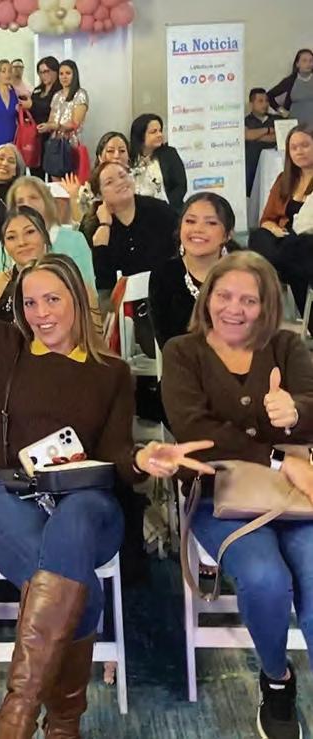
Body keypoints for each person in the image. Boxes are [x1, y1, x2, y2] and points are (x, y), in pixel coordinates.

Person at [0, 148, 211, 738]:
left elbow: (116, 457)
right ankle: (63, 722)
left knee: (73, 531)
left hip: (88, 500)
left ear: (78, 299)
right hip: (9, 497)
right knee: (81, 593)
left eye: (53, 300)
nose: (41, 313)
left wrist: (143, 458)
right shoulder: (4, 347)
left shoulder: (110, 372)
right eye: (30, 302)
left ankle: (17, 712)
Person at [161, 250, 313, 739]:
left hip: (296, 496)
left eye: (249, 300)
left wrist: (296, 411)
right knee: (266, 578)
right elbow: (195, 432)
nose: (234, 308)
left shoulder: (288, 345)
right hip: (219, 494)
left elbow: (311, 407)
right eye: (224, 295)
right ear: (207, 299)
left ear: (267, 305)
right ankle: (277, 679)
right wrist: (277, 456)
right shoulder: (182, 352)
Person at [148, 193, 240, 349]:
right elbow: (168, 344)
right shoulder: (163, 275)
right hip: (185, 361)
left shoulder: (244, 273)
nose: (198, 229)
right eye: (190, 221)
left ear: (227, 235)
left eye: (211, 223)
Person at [81, 161, 178, 292]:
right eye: (109, 182)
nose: (120, 182)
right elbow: (102, 281)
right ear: (99, 195)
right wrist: (104, 226)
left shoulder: (160, 211)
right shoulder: (91, 224)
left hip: (165, 291)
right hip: (115, 298)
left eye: (123, 176)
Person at [249, 124, 313, 313]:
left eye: (305, 145)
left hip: (307, 240)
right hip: (284, 239)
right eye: (294, 148)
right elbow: (267, 218)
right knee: (258, 236)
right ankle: (284, 267)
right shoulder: (284, 179)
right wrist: (274, 228)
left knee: (299, 248)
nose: (299, 151)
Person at [1, 175, 96, 290]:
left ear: (47, 201)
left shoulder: (75, 240)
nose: (27, 204)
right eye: (20, 201)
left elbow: (87, 289)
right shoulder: (8, 243)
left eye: (33, 198)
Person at [39, 59, 89, 178]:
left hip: (71, 145)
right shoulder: (57, 95)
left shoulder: (80, 94)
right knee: (55, 178)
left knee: (71, 180)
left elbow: (75, 123)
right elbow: (51, 120)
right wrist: (46, 126)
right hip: (55, 144)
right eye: (61, 74)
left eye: (68, 73)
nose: (64, 77)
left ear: (74, 74)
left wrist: (55, 126)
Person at [129, 114, 187, 211]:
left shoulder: (169, 154)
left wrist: (167, 208)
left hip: (166, 210)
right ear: (140, 135)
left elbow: (180, 186)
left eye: (160, 131)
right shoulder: (129, 157)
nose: (159, 135)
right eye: (153, 132)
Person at [245, 88, 283, 196]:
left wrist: (256, 136)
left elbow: (280, 136)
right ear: (251, 104)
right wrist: (268, 130)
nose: (265, 104)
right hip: (253, 166)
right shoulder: (246, 121)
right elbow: (246, 135)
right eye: (260, 101)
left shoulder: (277, 119)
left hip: (274, 167)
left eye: (266, 101)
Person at [29, 57, 61, 177]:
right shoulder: (37, 90)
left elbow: (50, 108)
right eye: (41, 72)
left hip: (53, 137)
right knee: (36, 173)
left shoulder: (60, 91)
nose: (44, 75)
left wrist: (32, 105)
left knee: (55, 174)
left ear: (55, 71)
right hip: (36, 137)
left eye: (47, 71)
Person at [268, 49, 313, 124]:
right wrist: (282, 111)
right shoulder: (290, 81)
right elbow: (269, 95)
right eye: (304, 61)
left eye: (311, 61)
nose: (308, 64)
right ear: (297, 64)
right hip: (296, 125)